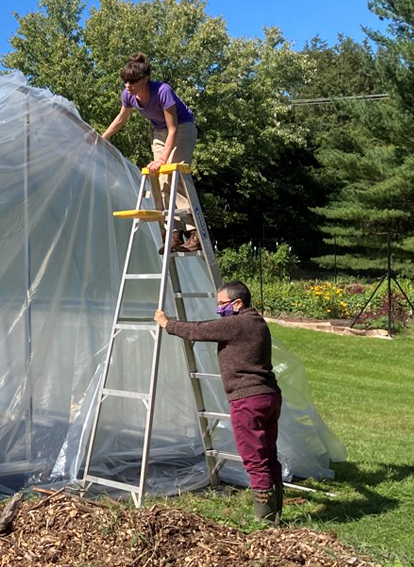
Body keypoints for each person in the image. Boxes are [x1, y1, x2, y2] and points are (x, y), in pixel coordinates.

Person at [154, 281, 284, 524]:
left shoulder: (237, 324)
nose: (219, 309)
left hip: (248, 400)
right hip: (269, 396)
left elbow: (199, 330)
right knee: (267, 452)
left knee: (254, 457)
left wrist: (167, 324)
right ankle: (276, 513)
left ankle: (266, 521)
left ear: (237, 304)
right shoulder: (256, 322)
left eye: (222, 304)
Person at [99, 53, 200, 252]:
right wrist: (101, 138)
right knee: (160, 180)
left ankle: (195, 232)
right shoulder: (128, 95)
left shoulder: (163, 91)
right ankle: (174, 233)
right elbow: (121, 119)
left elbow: (173, 128)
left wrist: (163, 159)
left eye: (132, 81)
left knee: (173, 175)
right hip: (158, 131)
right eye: (125, 80)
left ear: (145, 79)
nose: (127, 85)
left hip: (182, 128)